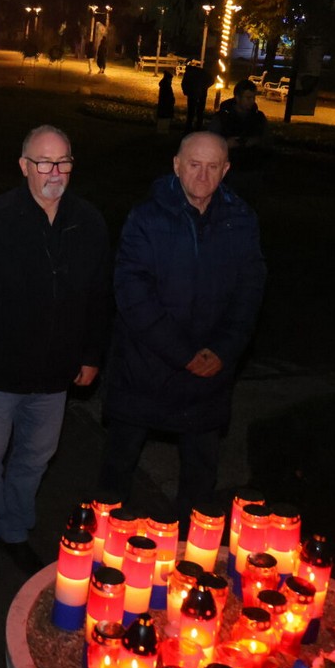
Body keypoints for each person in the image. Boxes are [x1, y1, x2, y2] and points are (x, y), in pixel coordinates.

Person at [0, 125, 111, 579]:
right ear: (24, 165)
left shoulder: (88, 222)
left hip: (54, 374)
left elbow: (100, 295)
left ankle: (15, 531)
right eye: (44, 162)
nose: (55, 172)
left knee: (33, 459)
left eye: (63, 161)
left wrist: (91, 353)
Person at [99, 132, 266, 534]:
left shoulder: (241, 221)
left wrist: (223, 351)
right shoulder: (146, 218)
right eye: (194, 164)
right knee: (117, 471)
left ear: (226, 169)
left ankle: (190, 561)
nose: (203, 175)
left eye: (213, 167)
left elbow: (250, 292)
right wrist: (183, 353)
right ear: (176, 165)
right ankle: (102, 550)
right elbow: (133, 295)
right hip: (145, 369)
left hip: (208, 377)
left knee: (200, 480)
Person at [209, 78, 270, 201]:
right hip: (228, 173)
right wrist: (225, 144)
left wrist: (255, 141)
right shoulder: (222, 117)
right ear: (237, 98)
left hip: (252, 171)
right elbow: (208, 143)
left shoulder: (258, 118)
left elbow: (268, 141)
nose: (251, 101)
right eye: (248, 98)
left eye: (253, 98)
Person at [181, 60, 213, 131]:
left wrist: (186, 92)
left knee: (191, 111)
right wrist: (205, 87)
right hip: (202, 93)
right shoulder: (203, 72)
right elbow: (211, 80)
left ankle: (189, 127)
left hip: (192, 94)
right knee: (200, 111)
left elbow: (183, 83)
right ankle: (198, 126)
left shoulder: (188, 73)